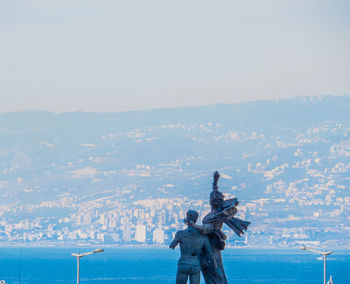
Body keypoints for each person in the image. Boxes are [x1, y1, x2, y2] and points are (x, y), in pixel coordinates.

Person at [186, 171, 250, 284]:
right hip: (207, 247)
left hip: (211, 248)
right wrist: (215, 182)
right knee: (211, 273)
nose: (212, 200)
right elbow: (214, 192)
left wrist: (192, 225)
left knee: (214, 272)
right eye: (213, 198)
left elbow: (206, 229)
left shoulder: (217, 216)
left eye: (214, 198)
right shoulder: (213, 213)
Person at [170, 210, 216, 284]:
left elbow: (172, 246)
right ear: (196, 219)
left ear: (187, 218)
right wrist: (214, 265)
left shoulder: (180, 234)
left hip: (183, 264)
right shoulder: (203, 237)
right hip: (196, 265)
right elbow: (209, 252)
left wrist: (176, 241)